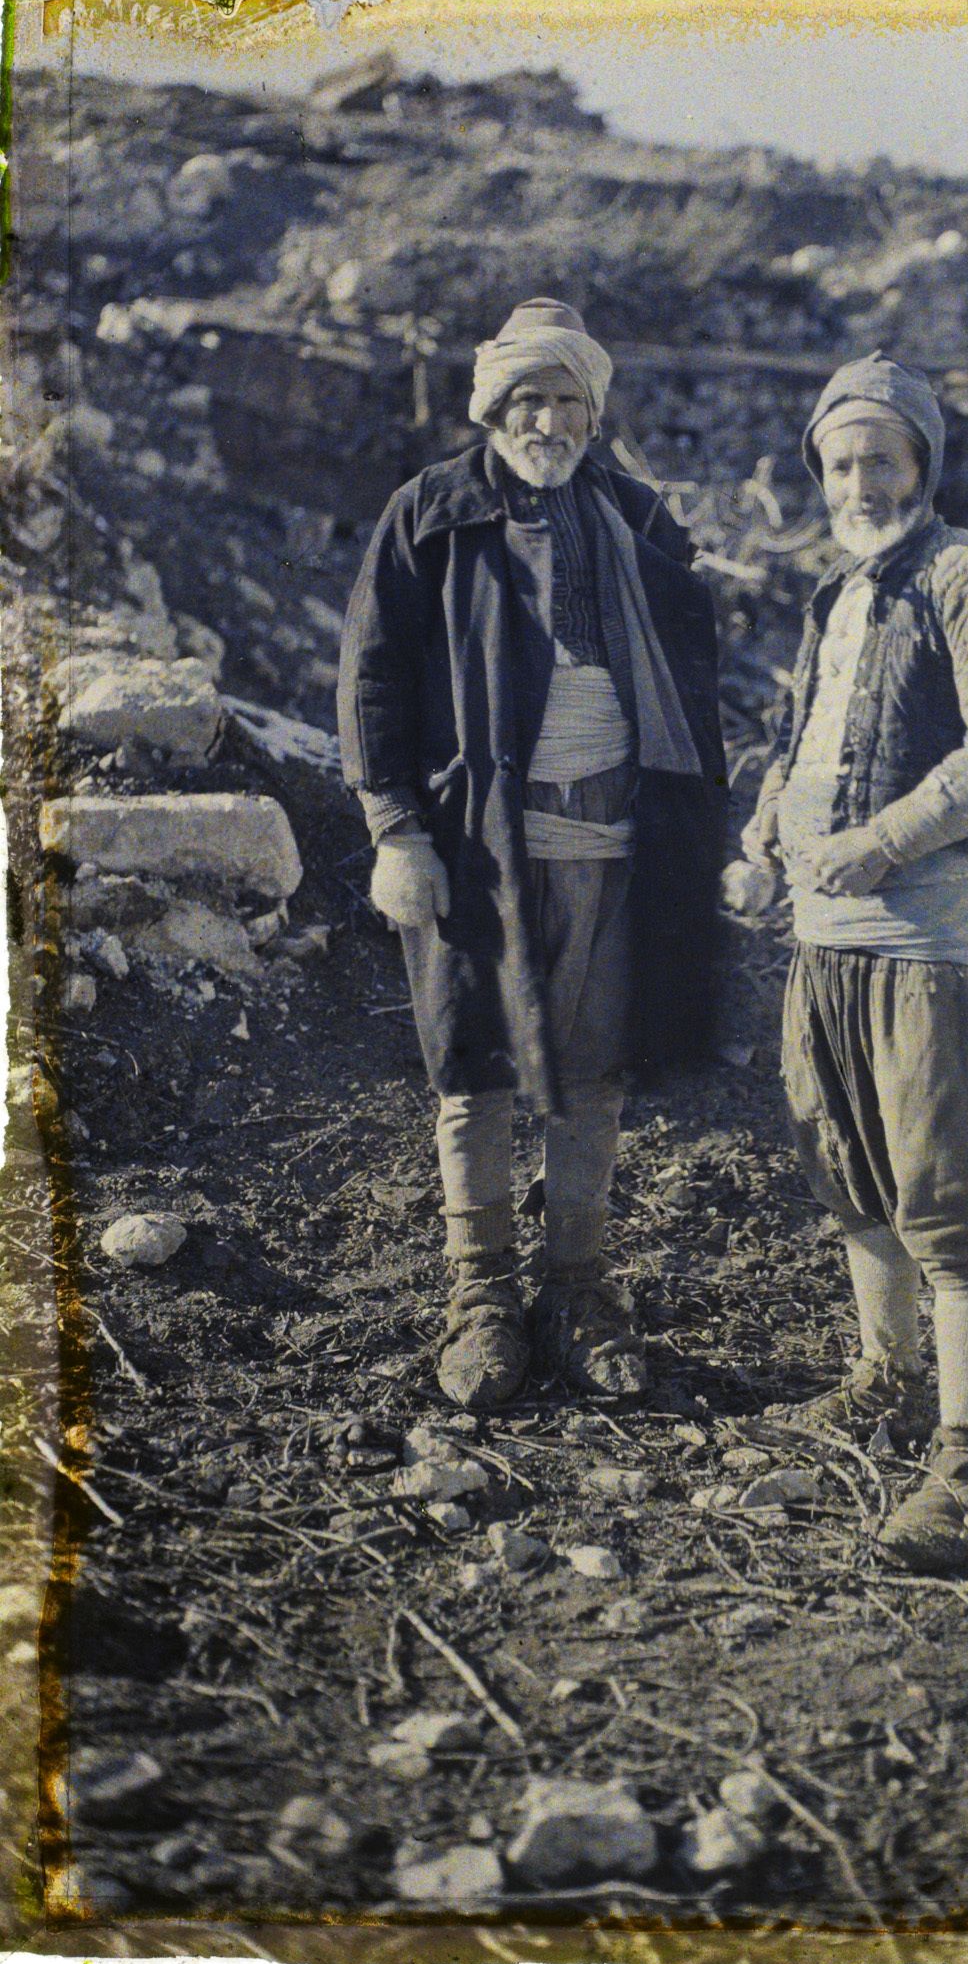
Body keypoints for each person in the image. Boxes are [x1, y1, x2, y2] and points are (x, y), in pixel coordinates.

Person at [338, 297, 725, 1413]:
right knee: (477, 1062)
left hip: (616, 842)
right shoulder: (431, 512)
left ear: (593, 412)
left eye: (565, 399)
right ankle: (482, 1295)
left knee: (594, 1066)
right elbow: (372, 676)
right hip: (480, 842)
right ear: (491, 407)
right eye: (527, 398)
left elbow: (692, 681)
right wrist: (394, 829)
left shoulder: (639, 519)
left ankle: (576, 1289)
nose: (546, 420)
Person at [742, 352, 968, 1573]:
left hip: (923, 943)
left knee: (946, 1196)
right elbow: (801, 737)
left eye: (881, 458)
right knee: (849, 1170)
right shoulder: (836, 591)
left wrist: (879, 841)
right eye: (839, 463)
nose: (859, 482)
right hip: (820, 942)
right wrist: (764, 822)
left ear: (923, 463)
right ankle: (884, 1375)